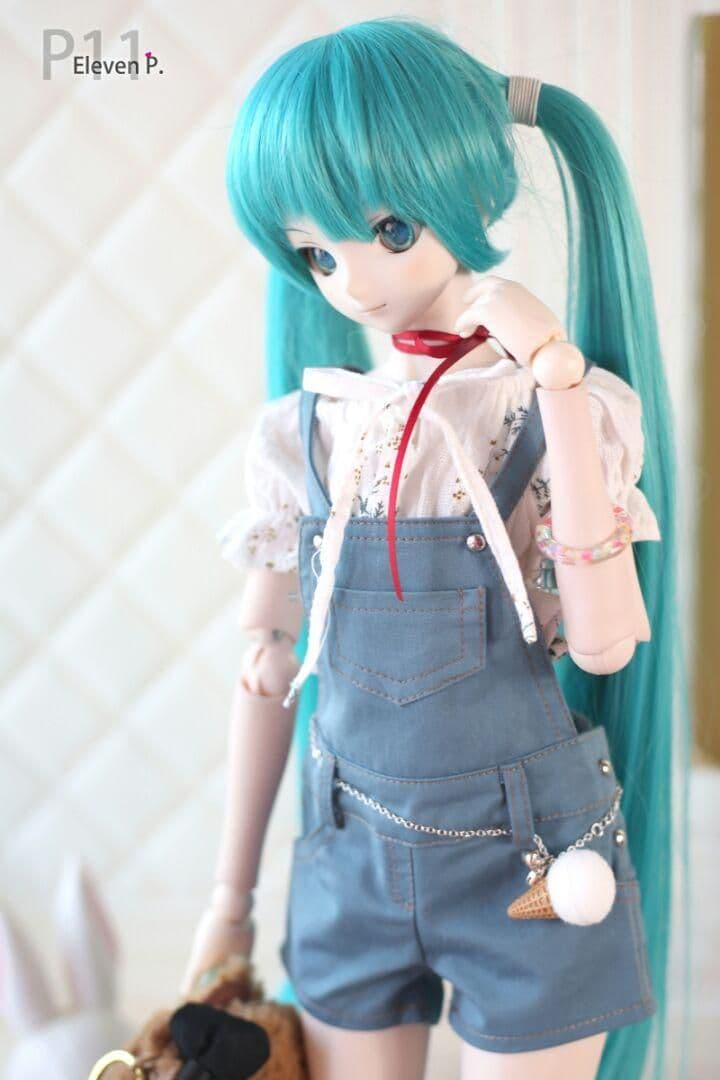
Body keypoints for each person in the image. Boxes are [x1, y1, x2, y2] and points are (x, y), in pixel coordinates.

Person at [181, 17, 689, 1080]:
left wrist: (554, 376)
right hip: (348, 855)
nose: (355, 281)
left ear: (468, 198)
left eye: (391, 230)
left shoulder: (547, 414)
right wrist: (230, 902)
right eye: (318, 252)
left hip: (531, 864)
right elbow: (264, 671)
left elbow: (604, 646)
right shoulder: (311, 431)